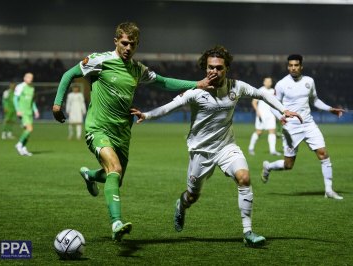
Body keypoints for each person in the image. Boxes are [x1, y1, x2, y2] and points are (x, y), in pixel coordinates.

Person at [51, 22, 215, 242]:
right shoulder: (100, 60)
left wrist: (197, 84)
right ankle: (116, 222)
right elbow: (68, 74)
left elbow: (164, 83)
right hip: (98, 128)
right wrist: (57, 104)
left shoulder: (138, 69)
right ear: (116, 41)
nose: (129, 48)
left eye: (133, 44)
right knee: (115, 168)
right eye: (125, 43)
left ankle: (90, 175)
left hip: (123, 132)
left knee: (114, 177)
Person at [131, 45, 302, 247]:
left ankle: (248, 232)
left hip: (226, 147)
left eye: (219, 68)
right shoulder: (196, 92)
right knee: (192, 196)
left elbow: (262, 94)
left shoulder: (236, 86)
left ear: (226, 68)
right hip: (200, 152)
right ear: (205, 68)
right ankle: (182, 204)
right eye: (211, 67)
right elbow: (170, 106)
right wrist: (147, 115)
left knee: (244, 178)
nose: (214, 71)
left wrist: (284, 110)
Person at [261, 54, 345, 200]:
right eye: (290, 65)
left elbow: (315, 100)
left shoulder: (309, 81)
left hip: (308, 124)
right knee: (288, 165)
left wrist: (329, 108)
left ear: (301, 66)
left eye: (296, 65)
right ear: (288, 67)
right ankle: (268, 166)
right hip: (291, 128)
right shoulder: (281, 84)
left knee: (323, 154)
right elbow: (273, 105)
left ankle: (329, 190)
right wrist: (280, 117)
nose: (293, 68)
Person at [248, 77, 281, 156]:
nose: (268, 83)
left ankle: (272, 151)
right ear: (264, 82)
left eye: (270, 81)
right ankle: (251, 148)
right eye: (267, 81)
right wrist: (257, 111)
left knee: (272, 131)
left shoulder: (273, 91)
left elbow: (275, 103)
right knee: (259, 132)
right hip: (261, 115)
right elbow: (254, 102)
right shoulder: (260, 90)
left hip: (271, 115)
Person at [14, 72, 39, 156]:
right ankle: (19, 144)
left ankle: (23, 148)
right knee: (29, 129)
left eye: (31, 77)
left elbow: (32, 101)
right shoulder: (20, 86)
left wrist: (35, 110)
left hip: (29, 112)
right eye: (28, 77)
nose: (30, 78)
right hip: (23, 112)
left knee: (27, 131)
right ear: (24, 78)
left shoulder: (32, 88)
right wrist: (18, 110)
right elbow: (15, 99)